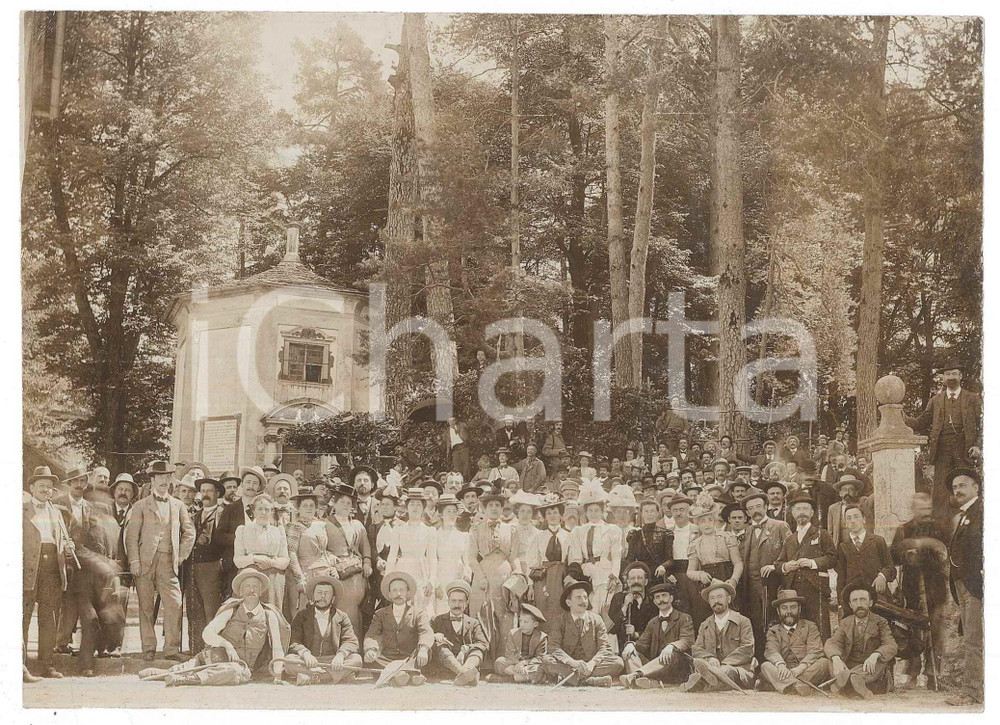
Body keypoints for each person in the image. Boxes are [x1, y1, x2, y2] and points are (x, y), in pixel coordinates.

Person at [137, 569, 289, 687]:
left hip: (240, 667)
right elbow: (207, 633)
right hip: (213, 658)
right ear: (241, 591)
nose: (251, 590)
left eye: (255, 587)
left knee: (234, 672)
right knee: (183, 668)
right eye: (247, 587)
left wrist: (277, 675)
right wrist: (226, 645)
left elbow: (277, 646)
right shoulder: (232, 609)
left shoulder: (269, 615)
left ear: (261, 591)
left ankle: (186, 679)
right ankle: (168, 673)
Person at [125, 460, 195, 661]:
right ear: (153, 479)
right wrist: (134, 561)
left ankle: (171, 649)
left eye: (168, 477)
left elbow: (189, 532)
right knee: (146, 606)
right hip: (144, 562)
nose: (165, 481)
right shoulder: (140, 506)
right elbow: (131, 537)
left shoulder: (178, 505)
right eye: (161, 477)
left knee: (174, 603)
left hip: (168, 562)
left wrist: (180, 556)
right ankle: (148, 648)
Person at [904, 362, 982, 520]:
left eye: (954, 373)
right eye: (948, 374)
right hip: (942, 452)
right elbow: (921, 422)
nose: (951, 377)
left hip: (965, 451)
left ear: (960, 376)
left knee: (965, 488)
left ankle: (970, 523)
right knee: (940, 493)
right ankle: (941, 529)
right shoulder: (936, 400)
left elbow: (984, 425)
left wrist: (977, 445)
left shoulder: (972, 399)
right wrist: (903, 418)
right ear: (943, 378)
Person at [889, 492, 949, 689]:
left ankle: (933, 675)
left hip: (936, 588)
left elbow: (945, 553)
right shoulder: (904, 530)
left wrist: (926, 546)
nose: (925, 513)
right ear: (913, 510)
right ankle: (912, 674)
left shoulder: (939, 528)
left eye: (928, 509)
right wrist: (907, 553)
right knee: (914, 632)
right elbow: (894, 556)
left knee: (936, 632)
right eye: (921, 509)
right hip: (912, 589)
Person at [23, 467, 75, 680]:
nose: (46, 490)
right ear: (32, 487)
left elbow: (60, 539)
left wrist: (67, 546)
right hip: (28, 567)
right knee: (21, 618)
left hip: (53, 567)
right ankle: (20, 666)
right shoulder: (20, 509)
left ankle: (47, 665)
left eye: (49, 487)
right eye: (41, 485)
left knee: (50, 618)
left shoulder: (56, 511)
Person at [944, 467, 983, 705]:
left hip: (975, 585)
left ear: (976, 487)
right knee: (972, 637)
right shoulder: (964, 514)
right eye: (955, 487)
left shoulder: (983, 512)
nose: (958, 490)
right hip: (962, 585)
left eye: (963, 485)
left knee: (973, 640)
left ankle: (971, 692)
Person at [774, 494, 836, 640]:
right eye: (798, 509)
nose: (802, 512)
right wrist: (787, 566)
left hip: (816, 589)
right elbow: (778, 564)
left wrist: (812, 563)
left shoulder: (822, 534)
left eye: (805, 509)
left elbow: (833, 558)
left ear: (812, 513)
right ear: (793, 513)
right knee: (798, 627)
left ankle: (823, 658)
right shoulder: (789, 539)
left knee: (820, 628)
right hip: (794, 591)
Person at [542, 579, 625, 686]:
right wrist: (572, 662)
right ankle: (588, 681)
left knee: (618, 663)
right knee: (547, 661)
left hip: (589, 664)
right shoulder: (559, 621)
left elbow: (605, 648)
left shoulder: (597, 619)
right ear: (568, 602)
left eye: (585, 597)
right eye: (578, 597)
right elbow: (553, 647)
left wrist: (592, 664)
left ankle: (572, 679)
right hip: (568, 663)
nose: (583, 601)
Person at [283, 575, 363, 685]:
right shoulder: (302, 616)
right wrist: (306, 654)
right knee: (289, 660)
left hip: (333, 661)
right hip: (309, 661)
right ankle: (334, 676)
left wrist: (340, 655)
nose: (323, 596)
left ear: (333, 598)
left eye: (327, 593)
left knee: (356, 660)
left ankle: (312, 677)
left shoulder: (342, 616)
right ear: (313, 596)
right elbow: (294, 640)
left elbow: (351, 641)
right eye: (319, 593)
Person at [825, 581, 898, 698]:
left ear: (870, 602)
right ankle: (854, 683)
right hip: (850, 666)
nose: (859, 604)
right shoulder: (845, 623)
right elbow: (833, 643)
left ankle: (846, 682)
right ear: (850, 605)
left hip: (871, 670)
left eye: (863, 599)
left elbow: (891, 645)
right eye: (855, 600)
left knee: (881, 660)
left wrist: (876, 655)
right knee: (831, 659)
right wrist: (836, 657)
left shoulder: (880, 622)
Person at [740, 491, 790, 661]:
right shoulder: (747, 531)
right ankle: (759, 662)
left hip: (773, 584)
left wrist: (774, 566)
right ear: (747, 512)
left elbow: (791, 553)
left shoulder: (780, 526)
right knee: (755, 623)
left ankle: (776, 660)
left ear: (766, 507)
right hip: (751, 586)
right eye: (751, 508)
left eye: (759, 506)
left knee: (772, 621)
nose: (756, 510)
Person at [681, 580, 755, 692]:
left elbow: (748, 648)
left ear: (729, 599)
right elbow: (696, 649)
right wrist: (710, 658)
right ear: (709, 602)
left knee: (728, 671)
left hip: (738, 669)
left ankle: (700, 683)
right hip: (712, 667)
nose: (716, 601)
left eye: (720, 597)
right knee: (716, 672)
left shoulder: (743, 621)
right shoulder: (704, 625)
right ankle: (707, 681)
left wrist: (724, 664)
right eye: (712, 598)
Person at [363, 571, 434, 687]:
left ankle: (400, 676)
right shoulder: (380, 614)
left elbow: (425, 631)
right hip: (386, 658)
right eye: (395, 590)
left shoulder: (418, 613)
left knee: (423, 653)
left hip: (409, 657)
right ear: (389, 594)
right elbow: (372, 635)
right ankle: (410, 676)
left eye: (402, 590)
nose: (398, 593)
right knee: (373, 659)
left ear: (408, 593)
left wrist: (423, 649)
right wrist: (370, 649)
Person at [620, 580, 694, 689]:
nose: (661, 600)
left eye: (664, 596)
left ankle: (636, 676)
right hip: (655, 667)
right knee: (630, 652)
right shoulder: (652, 622)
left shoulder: (684, 618)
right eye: (657, 597)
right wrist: (631, 645)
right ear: (654, 601)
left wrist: (671, 646)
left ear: (671, 598)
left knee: (673, 653)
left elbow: (687, 640)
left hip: (676, 667)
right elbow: (642, 645)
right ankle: (646, 681)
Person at [570, 486, 623, 628]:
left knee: (604, 610)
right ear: (586, 512)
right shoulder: (578, 531)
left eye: (597, 510)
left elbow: (616, 555)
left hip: (605, 573)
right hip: (586, 573)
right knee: (587, 609)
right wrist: (575, 576)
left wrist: (614, 576)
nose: (593, 513)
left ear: (602, 511)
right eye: (590, 510)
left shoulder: (612, 530)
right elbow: (576, 557)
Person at [759, 590, 829, 695]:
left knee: (824, 663)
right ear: (778, 611)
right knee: (765, 666)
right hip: (783, 670)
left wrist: (801, 667)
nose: (789, 612)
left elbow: (815, 650)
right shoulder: (773, 630)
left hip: (805, 669)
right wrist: (781, 665)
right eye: (784, 608)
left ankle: (786, 684)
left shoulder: (810, 626)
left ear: (799, 609)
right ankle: (798, 685)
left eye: (793, 607)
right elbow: (771, 650)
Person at [186, 476, 226, 654]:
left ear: (217, 493)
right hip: (192, 567)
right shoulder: (194, 515)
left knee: (212, 610)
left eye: (209, 491)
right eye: (203, 491)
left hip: (212, 567)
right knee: (194, 610)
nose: (206, 494)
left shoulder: (223, 513)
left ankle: (212, 649)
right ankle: (195, 649)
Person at [468, 491, 515, 636]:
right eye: (490, 505)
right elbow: (471, 557)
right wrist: (481, 577)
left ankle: (503, 652)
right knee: (482, 612)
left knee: (503, 613)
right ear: (485, 509)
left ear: (502, 508)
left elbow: (514, 557)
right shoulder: (476, 529)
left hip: (504, 576)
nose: (494, 508)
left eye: (497, 505)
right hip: (484, 575)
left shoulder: (511, 530)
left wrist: (516, 576)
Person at [216, 466, 267, 596]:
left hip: (261, 566)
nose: (251, 486)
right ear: (242, 485)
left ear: (259, 487)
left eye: (255, 483)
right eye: (248, 482)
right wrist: (241, 539)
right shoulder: (230, 509)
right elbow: (219, 536)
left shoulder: (265, 509)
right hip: (235, 565)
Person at [427, 580, 488, 686]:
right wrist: (434, 635)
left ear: (466, 603)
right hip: (444, 668)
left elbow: (483, 644)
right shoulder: (436, 620)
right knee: (439, 644)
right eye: (453, 601)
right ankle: (464, 673)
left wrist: (467, 648)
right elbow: (424, 635)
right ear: (448, 602)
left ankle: (466, 671)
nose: (457, 605)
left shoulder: (474, 623)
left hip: (467, 662)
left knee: (478, 650)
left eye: (461, 601)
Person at [233, 494, 290, 606]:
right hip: (250, 576)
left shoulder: (278, 531)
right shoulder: (243, 530)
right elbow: (237, 560)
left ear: (272, 512)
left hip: (273, 578)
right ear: (253, 511)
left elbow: (285, 560)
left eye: (267, 509)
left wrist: (271, 562)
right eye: (259, 509)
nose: (263, 512)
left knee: (271, 613)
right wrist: (255, 559)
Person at [387, 489, 438, 613]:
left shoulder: (429, 531)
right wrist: (388, 577)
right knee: (404, 602)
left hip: (422, 569)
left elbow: (432, 557)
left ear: (423, 508)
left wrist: (432, 580)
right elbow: (392, 554)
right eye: (412, 504)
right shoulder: (398, 529)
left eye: (419, 504)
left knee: (423, 606)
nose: (415, 508)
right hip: (403, 567)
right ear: (407, 507)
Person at [834, 505, 895, 609]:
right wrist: (841, 604)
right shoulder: (843, 546)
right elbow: (842, 577)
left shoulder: (877, 541)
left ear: (864, 520)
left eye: (856, 516)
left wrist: (882, 576)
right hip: (855, 598)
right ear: (845, 523)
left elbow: (891, 568)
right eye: (849, 518)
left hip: (878, 596)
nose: (853, 521)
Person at [686, 505, 743, 598]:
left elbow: (738, 562)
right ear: (697, 524)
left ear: (715, 521)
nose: (707, 524)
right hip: (708, 581)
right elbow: (690, 571)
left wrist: (734, 579)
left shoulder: (727, 537)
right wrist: (700, 575)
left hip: (728, 578)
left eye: (710, 520)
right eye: (702, 521)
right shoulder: (695, 544)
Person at [491, 602, 548, 683]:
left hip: (529, 664)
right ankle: (525, 677)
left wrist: (524, 663)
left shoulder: (542, 637)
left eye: (526, 622)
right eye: (520, 621)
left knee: (540, 668)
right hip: (515, 664)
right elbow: (510, 653)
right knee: (499, 662)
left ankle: (507, 679)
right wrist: (518, 664)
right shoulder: (513, 633)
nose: (522, 625)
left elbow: (539, 657)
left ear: (535, 624)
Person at [608, 562, 658, 654]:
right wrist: (625, 606)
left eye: (640, 578)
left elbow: (655, 631)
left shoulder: (653, 602)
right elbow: (611, 628)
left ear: (646, 581)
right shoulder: (618, 599)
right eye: (632, 578)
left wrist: (636, 634)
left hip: (646, 650)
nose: (636, 581)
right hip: (622, 650)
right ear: (628, 582)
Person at [433, 494, 470, 615]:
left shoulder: (463, 536)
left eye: (454, 511)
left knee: (457, 610)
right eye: (448, 511)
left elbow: (467, 561)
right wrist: (436, 584)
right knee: (441, 611)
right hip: (441, 577)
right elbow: (431, 561)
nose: (452, 514)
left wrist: (466, 577)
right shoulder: (434, 535)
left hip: (457, 578)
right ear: (441, 514)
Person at [624, 497, 673, 580]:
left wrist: (663, 566)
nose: (649, 514)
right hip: (641, 577)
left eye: (652, 511)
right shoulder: (634, 535)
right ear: (641, 514)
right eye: (646, 511)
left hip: (659, 576)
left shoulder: (666, 534)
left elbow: (670, 560)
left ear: (658, 513)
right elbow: (629, 560)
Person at [442, 416, 473, 482]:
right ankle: (459, 480)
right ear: (448, 422)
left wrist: (457, 429)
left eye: (453, 420)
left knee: (466, 465)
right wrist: (448, 451)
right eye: (450, 421)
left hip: (463, 447)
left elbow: (466, 435)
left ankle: (466, 480)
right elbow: (446, 441)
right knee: (457, 465)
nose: (451, 422)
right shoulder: (447, 432)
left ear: (455, 421)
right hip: (455, 449)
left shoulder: (461, 426)